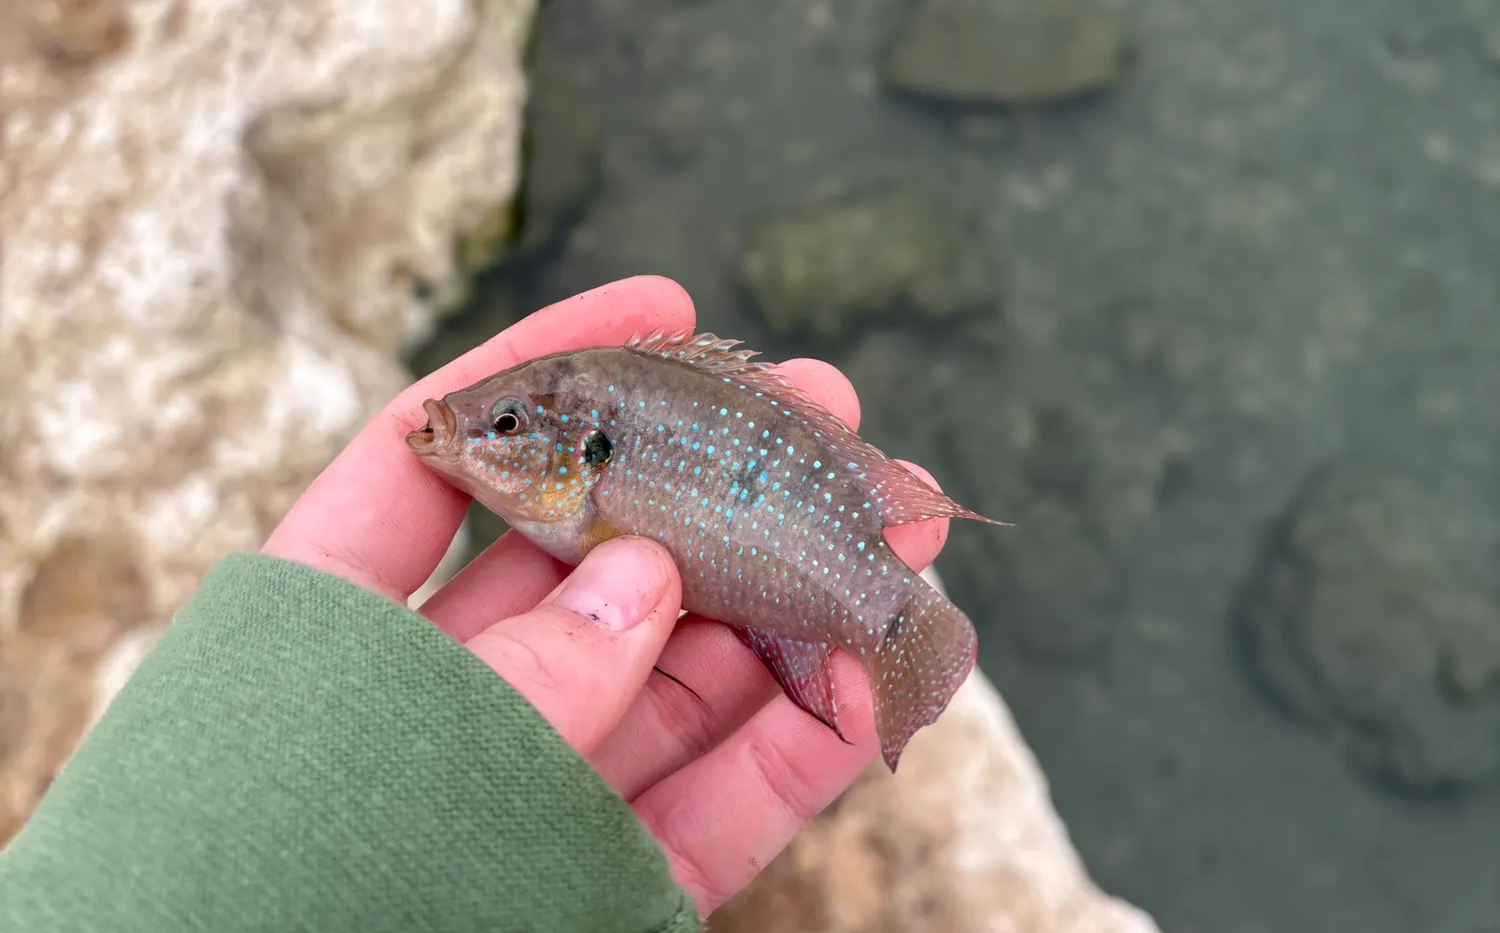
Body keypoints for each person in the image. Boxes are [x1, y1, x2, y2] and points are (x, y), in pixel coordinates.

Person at [0, 276, 956, 932]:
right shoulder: (575, 474)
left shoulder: (603, 472)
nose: (466, 432)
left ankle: (890, 630)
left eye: (503, 427)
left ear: (584, 452)